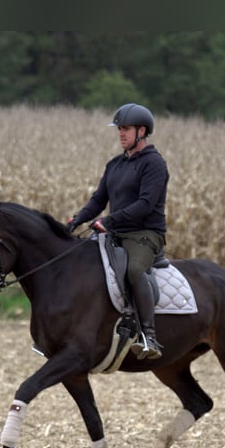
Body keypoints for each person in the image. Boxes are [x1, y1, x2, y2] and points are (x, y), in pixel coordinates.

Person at [67, 103, 169, 360]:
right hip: (115, 232)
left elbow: (145, 205)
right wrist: (75, 220)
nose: (121, 134)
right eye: (119, 129)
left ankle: (149, 336)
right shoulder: (115, 164)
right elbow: (98, 199)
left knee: (134, 270)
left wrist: (110, 221)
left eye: (125, 129)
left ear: (141, 131)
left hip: (145, 234)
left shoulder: (154, 164)